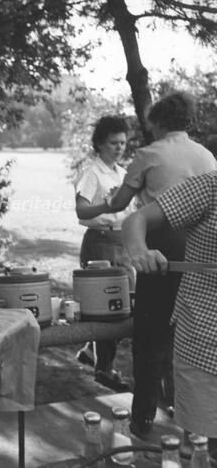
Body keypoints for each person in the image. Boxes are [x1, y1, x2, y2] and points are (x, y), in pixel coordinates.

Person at [106, 92, 216, 437]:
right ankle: (179, 409)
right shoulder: (206, 155)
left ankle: (143, 418)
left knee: (150, 337)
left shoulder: (149, 153)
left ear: (157, 122)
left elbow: (122, 204)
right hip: (196, 245)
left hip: (164, 245)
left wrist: (106, 201)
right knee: (180, 333)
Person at [122, 170, 217, 460]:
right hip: (205, 341)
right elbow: (135, 220)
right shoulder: (210, 186)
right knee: (204, 451)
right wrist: (140, 249)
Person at [73, 116, 132, 392]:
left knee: (125, 305)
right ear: (99, 144)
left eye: (122, 142)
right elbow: (81, 211)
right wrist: (106, 206)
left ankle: (90, 350)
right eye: (113, 143)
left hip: (122, 243)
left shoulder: (123, 174)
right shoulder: (92, 173)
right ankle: (104, 369)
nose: (119, 147)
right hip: (100, 242)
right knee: (110, 308)